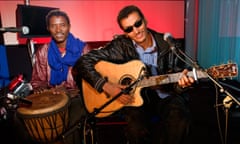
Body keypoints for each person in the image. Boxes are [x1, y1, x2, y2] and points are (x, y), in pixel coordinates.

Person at [73, 5, 195, 144]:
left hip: (165, 97)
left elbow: (179, 82)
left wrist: (182, 86)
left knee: (180, 119)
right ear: (125, 33)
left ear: (145, 20)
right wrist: (106, 86)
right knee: (135, 129)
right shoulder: (120, 46)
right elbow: (82, 63)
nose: (136, 31)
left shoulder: (169, 44)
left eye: (138, 24)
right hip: (134, 100)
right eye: (129, 29)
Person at [15, 9, 88, 144]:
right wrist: (41, 89)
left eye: (62, 25)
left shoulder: (83, 49)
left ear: (69, 26)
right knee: (19, 116)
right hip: (51, 96)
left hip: (77, 97)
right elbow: (37, 81)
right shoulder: (43, 51)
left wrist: (69, 91)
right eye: (53, 26)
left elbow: (90, 83)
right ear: (48, 28)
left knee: (69, 122)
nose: (58, 29)